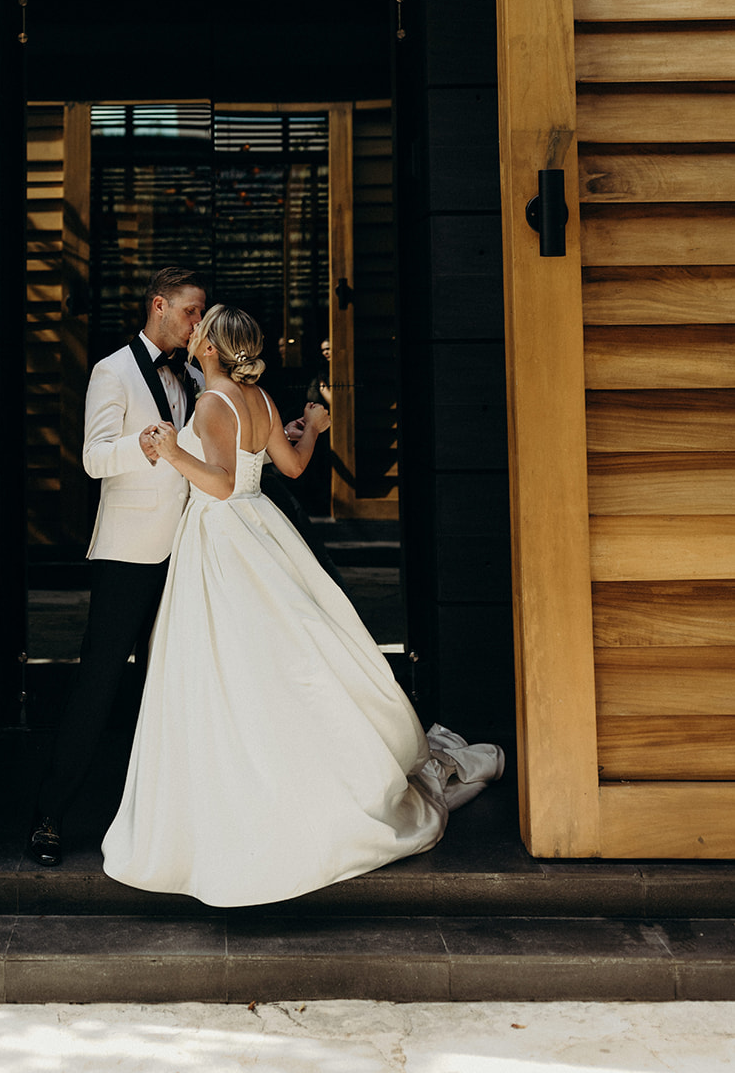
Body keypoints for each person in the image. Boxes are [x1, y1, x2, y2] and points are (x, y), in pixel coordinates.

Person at [101, 304, 503, 908]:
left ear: (210, 347)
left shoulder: (212, 404)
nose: (193, 335)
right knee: (287, 653)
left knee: (228, 667)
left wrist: (170, 451)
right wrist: (312, 424)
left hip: (223, 537)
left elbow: (221, 483)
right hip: (263, 529)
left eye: (200, 329)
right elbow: (290, 464)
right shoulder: (258, 399)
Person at [28, 266, 207, 868]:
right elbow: (92, 459)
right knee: (97, 685)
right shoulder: (112, 370)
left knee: (177, 681)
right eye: (189, 311)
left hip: (187, 549)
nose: (197, 322)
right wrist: (146, 447)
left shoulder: (196, 373)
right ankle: (51, 814)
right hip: (128, 553)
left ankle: (173, 821)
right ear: (159, 306)